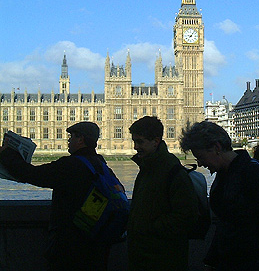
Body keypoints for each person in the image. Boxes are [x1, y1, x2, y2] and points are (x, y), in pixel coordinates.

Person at [0, 121, 119, 270]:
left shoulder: (70, 165)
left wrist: (7, 154)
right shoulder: (101, 165)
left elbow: (33, 175)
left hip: (71, 245)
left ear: (80, 139)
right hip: (97, 242)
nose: (68, 141)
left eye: (71, 137)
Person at [180, 121, 259, 271]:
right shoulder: (224, 174)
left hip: (253, 261)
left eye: (201, 156)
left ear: (217, 147)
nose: (199, 164)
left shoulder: (254, 173)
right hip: (231, 260)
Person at [127, 116, 198, 271]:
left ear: (156, 141)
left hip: (162, 258)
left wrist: (151, 229)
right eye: (134, 141)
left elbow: (186, 215)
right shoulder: (146, 167)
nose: (135, 147)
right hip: (143, 257)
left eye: (140, 142)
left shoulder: (172, 171)